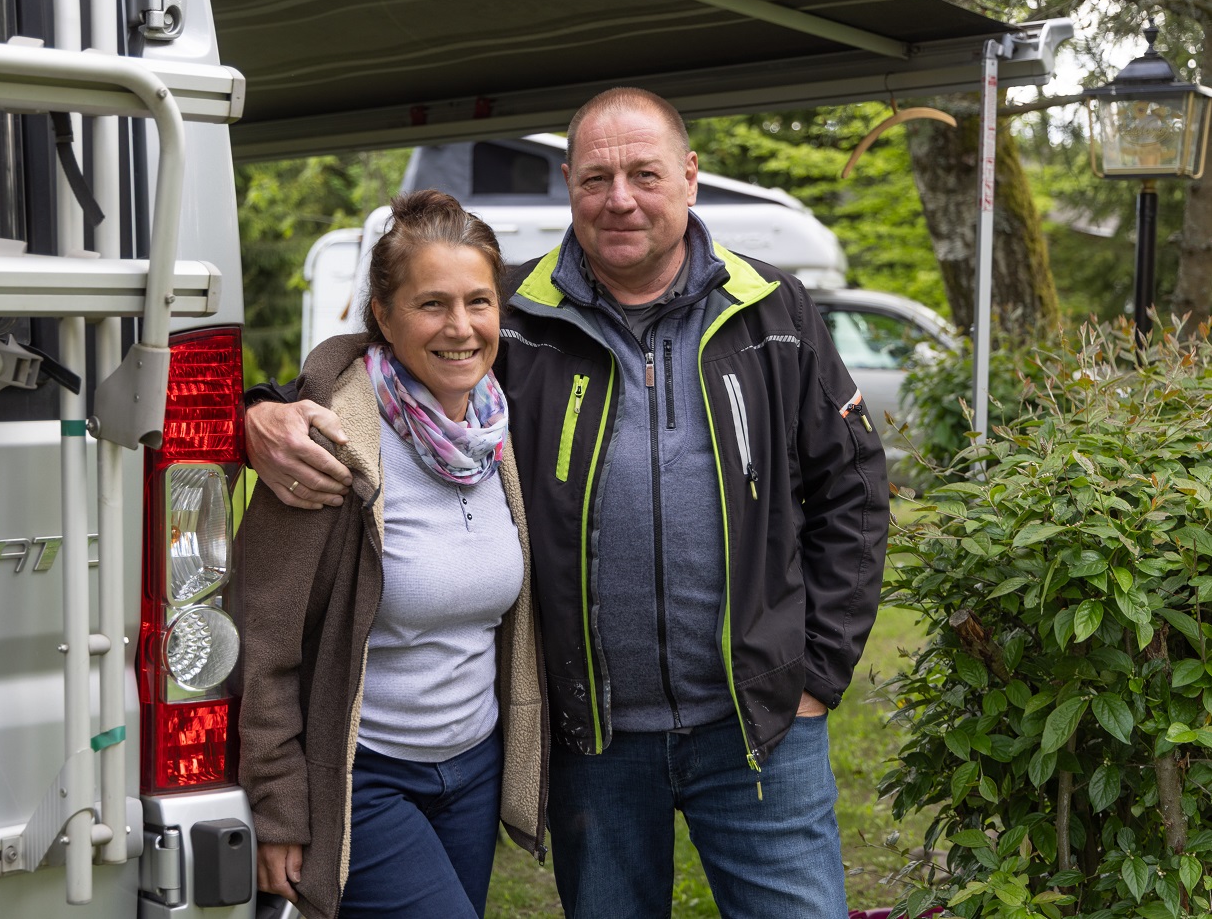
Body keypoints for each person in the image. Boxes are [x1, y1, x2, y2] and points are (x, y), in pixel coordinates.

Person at [245, 89, 888, 919]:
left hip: (757, 726)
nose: (620, 197)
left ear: (690, 178)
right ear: (568, 186)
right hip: (597, 738)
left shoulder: (773, 308)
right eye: (597, 177)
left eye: (644, 174)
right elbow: (386, 349)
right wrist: (260, 409)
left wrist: (818, 673)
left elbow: (855, 489)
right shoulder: (516, 316)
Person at [238, 190, 547, 919]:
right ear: (382, 313)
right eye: (431, 303)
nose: (461, 327)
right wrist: (278, 805)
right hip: (363, 778)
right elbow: (264, 633)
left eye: (479, 301)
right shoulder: (332, 438)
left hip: (473, 769)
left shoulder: (498, 425)